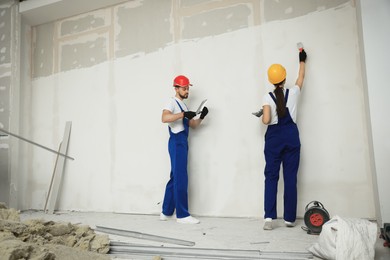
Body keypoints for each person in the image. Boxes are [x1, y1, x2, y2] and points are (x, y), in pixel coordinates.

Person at [261, 49, 307, 230]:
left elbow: (266, 120)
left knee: (271, 177)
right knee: (290, 177)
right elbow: (301, 78)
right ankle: (289, 219)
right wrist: (302, 60)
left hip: (273, 139)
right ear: (284, 78)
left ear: (270, 80)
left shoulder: (267, 97)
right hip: (291, 136)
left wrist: (262, 114)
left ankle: (269, 218)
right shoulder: (294, 93)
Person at [160, 75, 208, 224]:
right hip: (176, 141)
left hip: (182, 142)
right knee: (181, 177)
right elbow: (164, 118)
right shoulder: (172, 102)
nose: (187, 91)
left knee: (175, 177)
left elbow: (192, 125)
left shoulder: (184, 105)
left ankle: (166, 212)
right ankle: (182, 215)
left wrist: (202, 117)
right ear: (176, 88)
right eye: (184, 88)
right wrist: (182, 114)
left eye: (188, 88)